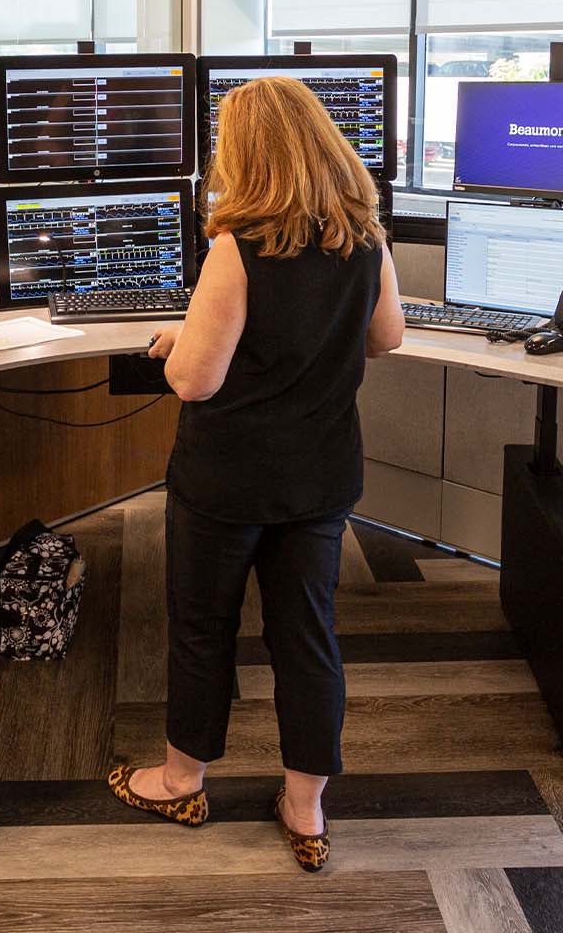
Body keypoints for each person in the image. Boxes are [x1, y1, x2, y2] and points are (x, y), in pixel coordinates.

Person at [105, 76, 406, 873]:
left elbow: (197, 381)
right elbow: (388, 337)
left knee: (203, 627)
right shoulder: (365, 237)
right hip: (320, 476)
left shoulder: (237, 247)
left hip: (227, 481)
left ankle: (182, 780)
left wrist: (181, 343)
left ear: (249, 155)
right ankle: (305, 810)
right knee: (307, 636)